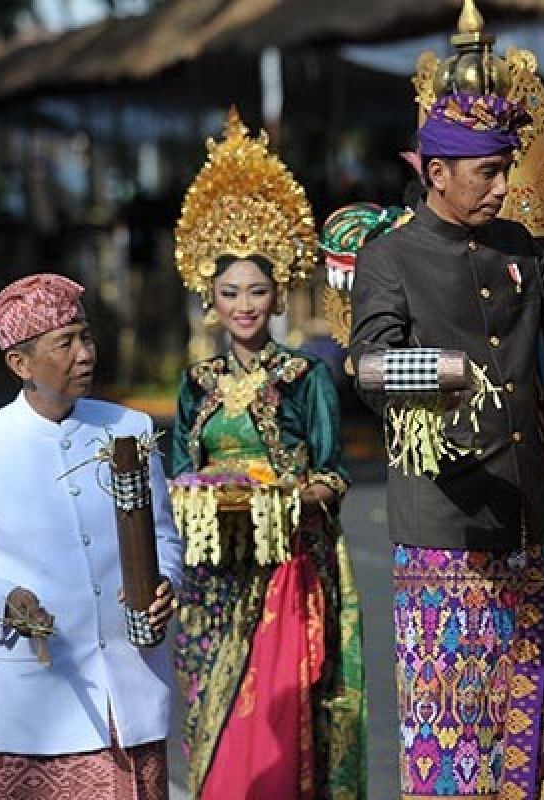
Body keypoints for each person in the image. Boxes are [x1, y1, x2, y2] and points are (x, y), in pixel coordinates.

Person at [349, 92, 544, 800]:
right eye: (486, 174)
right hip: (445, 523)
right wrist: (441, 374)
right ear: (436, 173)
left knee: (512, 722)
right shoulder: (390, 259)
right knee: (448, 724)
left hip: (522, 514)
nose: (500, 188)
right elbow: (367, 365)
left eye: (504, 171)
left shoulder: (515, 247)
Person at [169, 109, 365, 800]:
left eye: (256, 291)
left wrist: (278, 496)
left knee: (281, 729)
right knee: (215, 737)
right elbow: (174, 476)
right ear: (210, 300)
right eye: (230, 294)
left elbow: (335, 474)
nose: (244, 306)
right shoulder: (196, 384)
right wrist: (203, 494)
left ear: (279, 292)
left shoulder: (306, 379)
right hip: (212, 581)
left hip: (286, 571)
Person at [0, 272, 182, 799]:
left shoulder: (129, 430)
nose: (83, 354)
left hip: (128, 698)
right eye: (63, 343)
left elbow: (164, 535)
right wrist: (6, 600)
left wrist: (166, 586)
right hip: (34, 704)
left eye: (85, 336)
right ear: (20, 364)